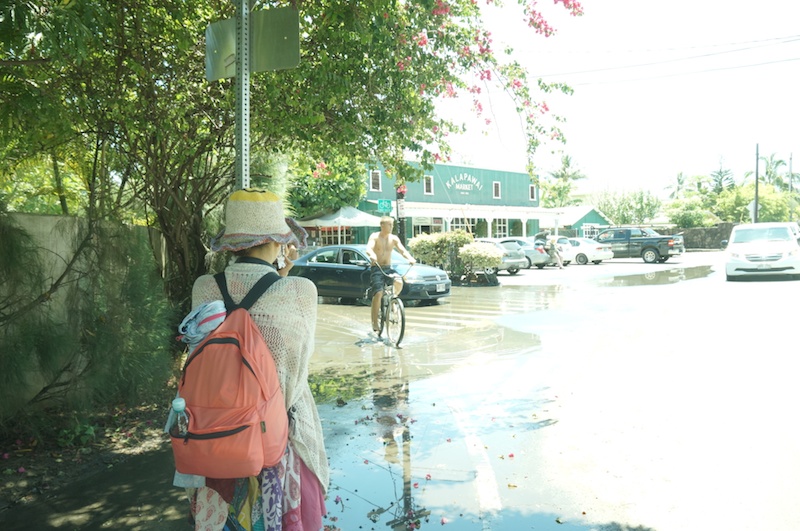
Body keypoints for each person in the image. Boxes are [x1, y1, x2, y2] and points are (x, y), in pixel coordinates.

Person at [191, 188, 328, 530]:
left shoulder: (204, 287)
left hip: (213, 437)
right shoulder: (299, 291)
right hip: (274, 442)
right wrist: (282, 280)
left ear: (233, 243)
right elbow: (293, 377)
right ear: (279, 242)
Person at [365, 216, 416, 334]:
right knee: (378, 293)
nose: (392, 227)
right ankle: (374, 322)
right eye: (390, 225)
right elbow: (369, 248)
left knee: (398, 281)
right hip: (377, 268)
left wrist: (410, 258)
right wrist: (372, 255)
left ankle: (393, 299)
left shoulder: (393, 238)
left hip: (388, 268)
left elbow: (402, 250)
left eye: (392, 225)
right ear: (383, 226)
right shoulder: (374, 236)